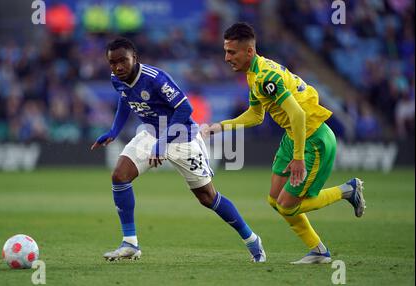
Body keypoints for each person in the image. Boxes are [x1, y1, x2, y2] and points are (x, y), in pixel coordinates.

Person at [201, 22, 366, 264]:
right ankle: (319, 252)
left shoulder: (267, 77)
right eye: (225, 51)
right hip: (293, 136)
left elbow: (298, 114)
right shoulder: (253, 74)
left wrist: (298, 158)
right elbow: (256, 116)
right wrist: (220, 127)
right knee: (274, 199)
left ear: (249, 52)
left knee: (288, 206)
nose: (226, 58)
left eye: (232, 52)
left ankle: (347, 191)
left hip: (313, 140)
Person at [91, 37, 266, 262]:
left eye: (122, 60)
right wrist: (114, 131)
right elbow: (125, 100)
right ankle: (130, 243)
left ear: (135, 58)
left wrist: (163, 142)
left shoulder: (155, 79)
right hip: (151, 134)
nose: (117, 67)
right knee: (119, 176)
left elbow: (185, 108)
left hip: (182, 136)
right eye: (112, 63)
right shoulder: (117, 79)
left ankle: (252, 240)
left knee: (207, 197)